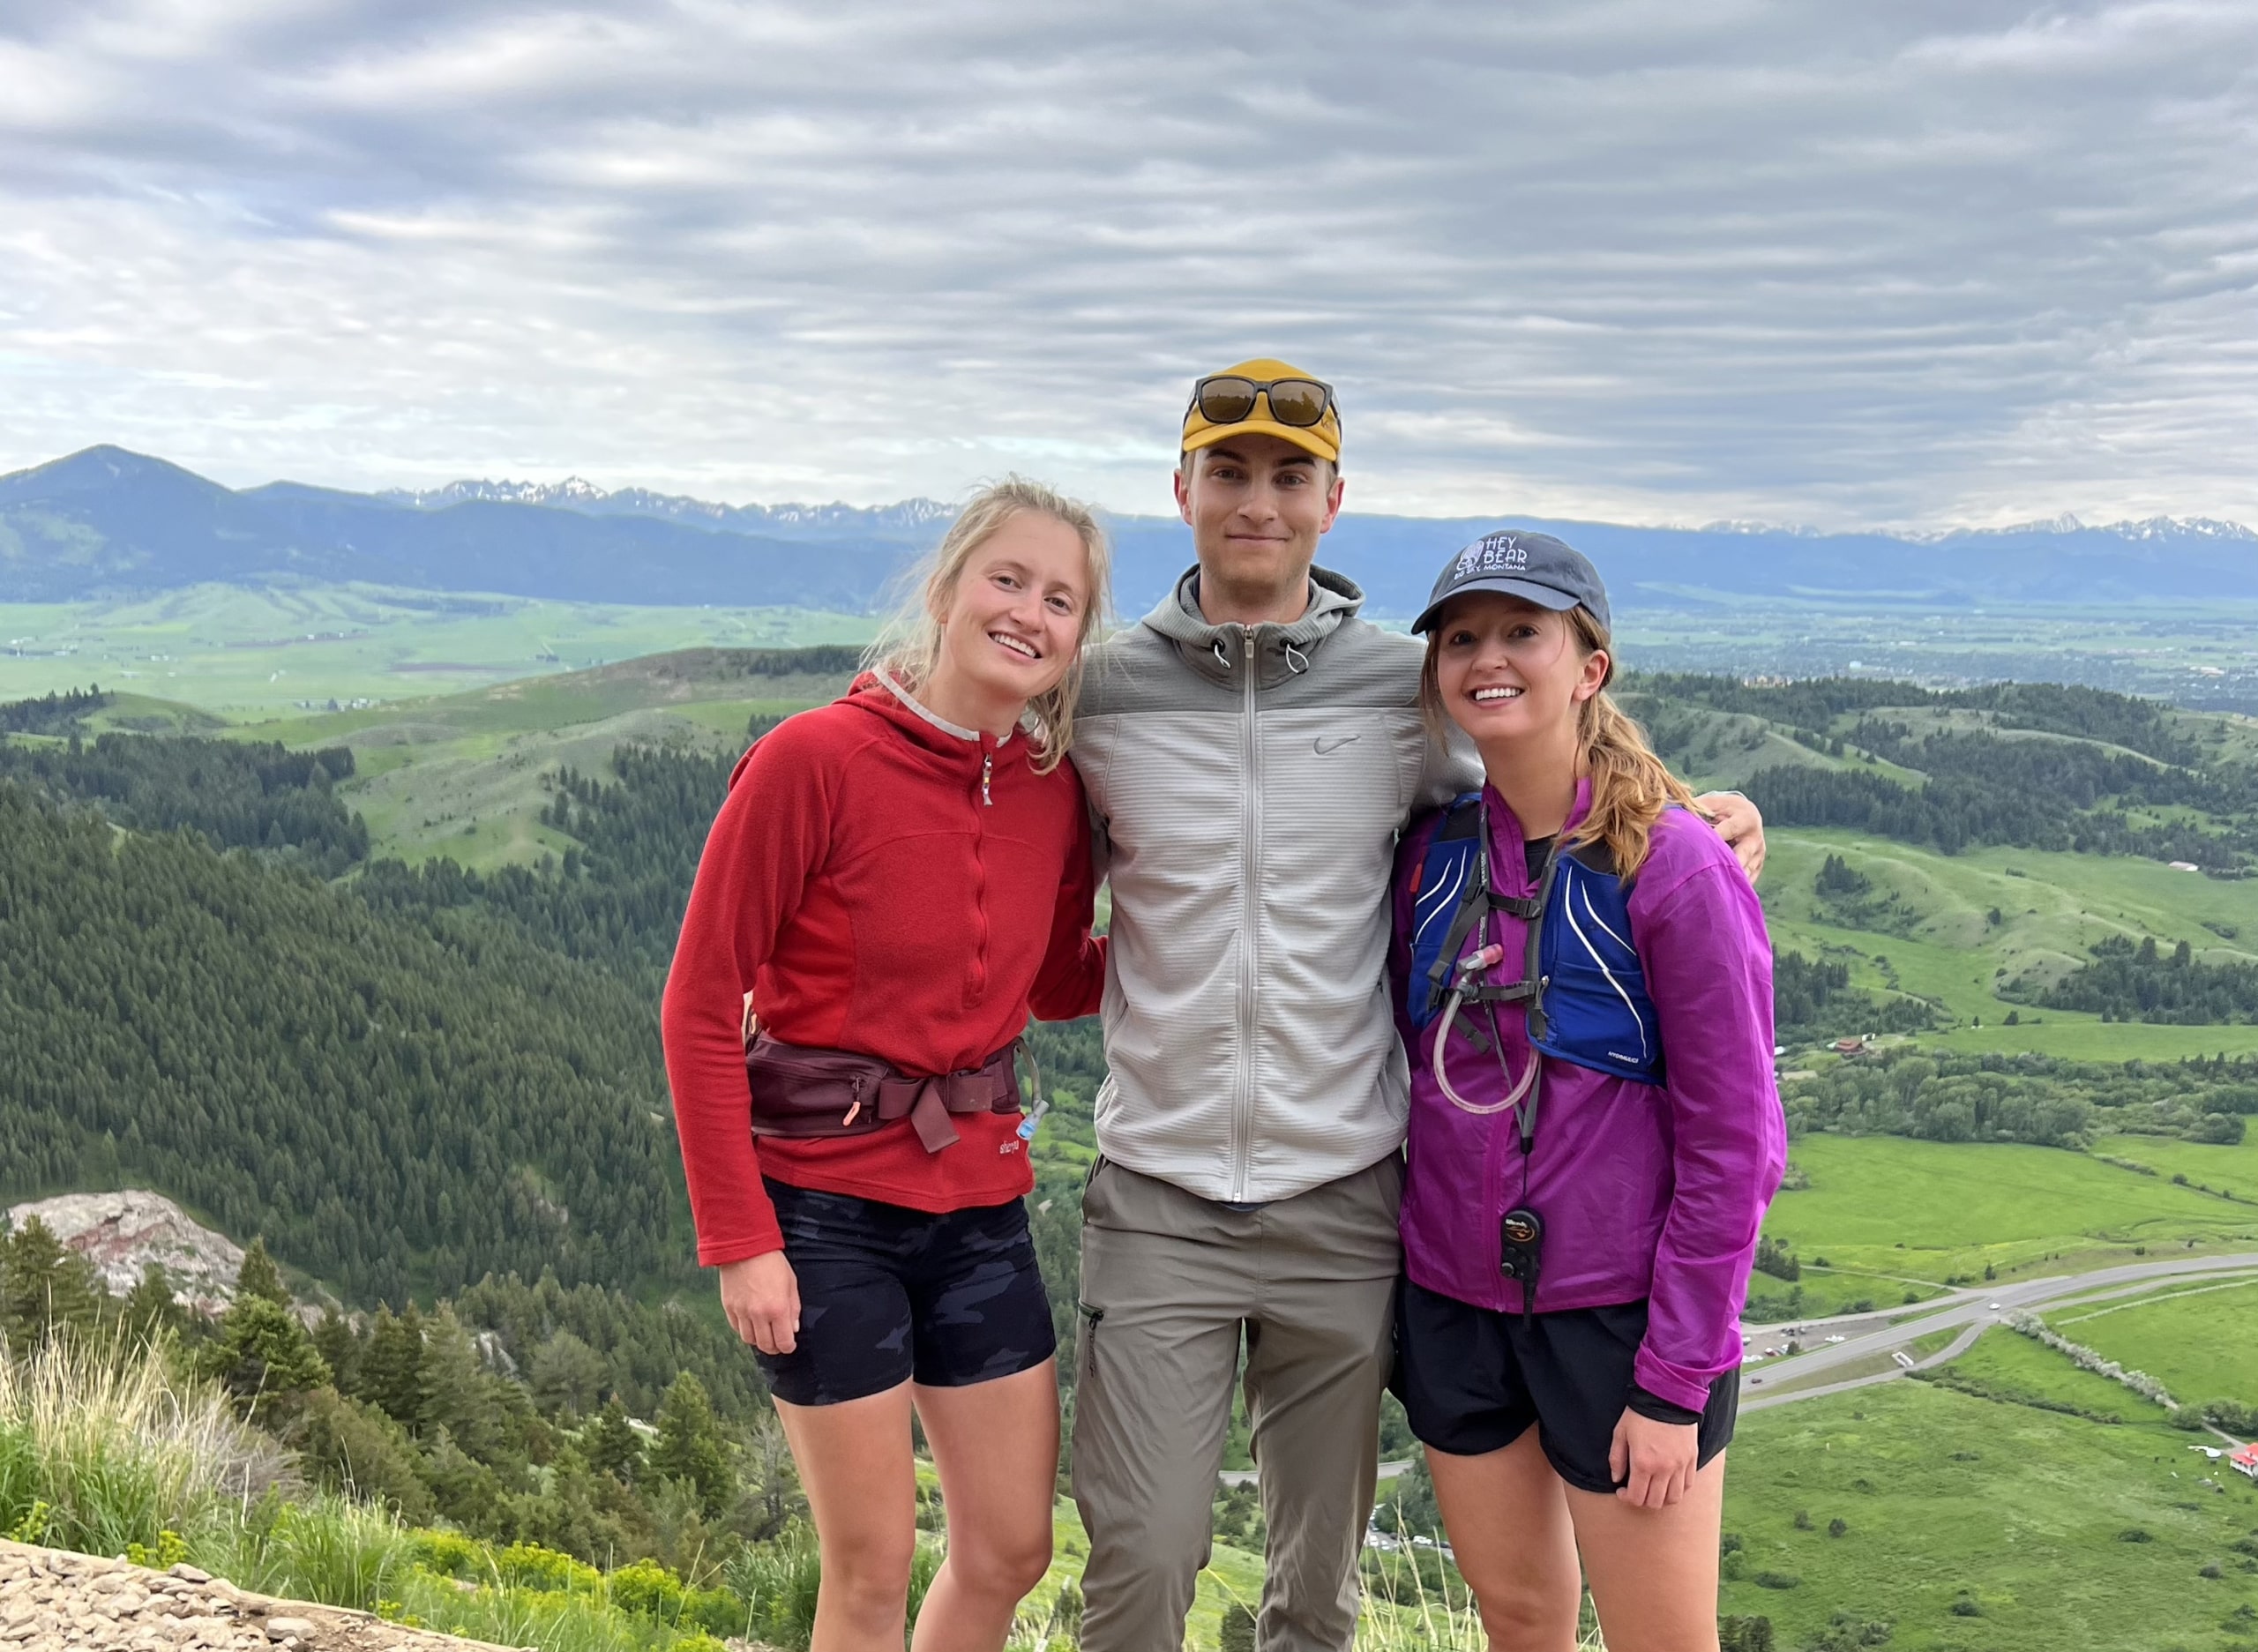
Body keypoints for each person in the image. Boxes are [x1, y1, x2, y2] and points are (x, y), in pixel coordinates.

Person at [1066, 361, 1768, 1652]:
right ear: (1182, 489)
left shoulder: (1419, 702)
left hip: (1385, 1223)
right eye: (1230, 472)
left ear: (1335, 501)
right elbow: (966, 753)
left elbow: (1737, 1133)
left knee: (1319, 1598)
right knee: (1161, 1568)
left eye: (1290, 476)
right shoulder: (1102, 690)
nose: (1258, 501)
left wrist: (1707, 824)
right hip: (1244, 1217)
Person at [662, 478, 1112, 1652]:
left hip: (979, 1205)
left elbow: (1058, 981)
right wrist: (741, 1239)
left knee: (1012, 1547)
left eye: (1060, 598)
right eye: (1007, 578)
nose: (1029, 611)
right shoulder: (813, 758)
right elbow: (703, 1003)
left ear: (1078, 637)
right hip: (820, 1210)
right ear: (946, 589)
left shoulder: (1054, 789)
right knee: (867, 1571)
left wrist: (1205, 945)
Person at [1387, 531, 1785, 1652]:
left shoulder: (1676, 867)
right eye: (1461, 639)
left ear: (1589, 665)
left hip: (1620, 1324)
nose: (1487, 658)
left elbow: (1736, 1146)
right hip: (1455, 1306)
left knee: (1659, 1639)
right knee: (1518, 1618)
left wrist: (1672, 1383)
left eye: (1523, 631)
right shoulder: (1430, 859)